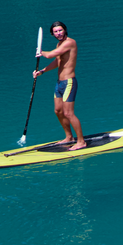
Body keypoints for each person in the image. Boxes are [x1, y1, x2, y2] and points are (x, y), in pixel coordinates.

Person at [33, 21, 85, 150]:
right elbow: (57, 60)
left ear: (65, 30)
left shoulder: (70, 42)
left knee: (68, 113)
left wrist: (40, 52)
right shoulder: (60, 44)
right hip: (60, 83)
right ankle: (69, 137)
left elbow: (51, 54)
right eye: (56, 32)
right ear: (52, 33)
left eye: (60, 30)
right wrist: (42, 71)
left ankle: (81, 141)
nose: (58, 33)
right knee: (58, 111)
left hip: (69, 83)